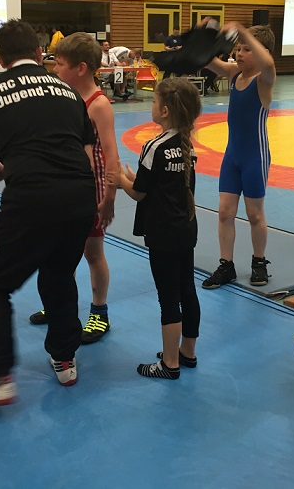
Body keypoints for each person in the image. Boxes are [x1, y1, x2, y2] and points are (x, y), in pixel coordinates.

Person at [0, 20, 96, 407]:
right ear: (40, 53)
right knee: (59, 274)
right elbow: (87, 158)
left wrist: (21, 162)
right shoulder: (69, 92)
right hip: (80, 197)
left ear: (0, 59)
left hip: (31, 199)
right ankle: (65, 359)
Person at [28, 32, 119, 344]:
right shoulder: (65, 97)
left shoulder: (99, 104)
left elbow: (111, 155)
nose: (55, 70)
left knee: (92, 252)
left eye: (60, 64)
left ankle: (99, 312)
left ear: (81, 68)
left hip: (92, 190)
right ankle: (59, 303)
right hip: (65, 188)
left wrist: (109, 198)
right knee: (61, 252)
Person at [111, 77, 202, 380]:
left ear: (164, 111)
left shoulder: (154, 146)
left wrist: (120, 180)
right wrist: (132, 179)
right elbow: (167, 186)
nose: (150, 105)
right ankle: (187, 352)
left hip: (163, 233)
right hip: (185, 228)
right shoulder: (187, 145)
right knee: (187, 289)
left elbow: (140, 193)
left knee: (168, 297)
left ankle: (169, 364)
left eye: (153, 101)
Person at [197, 21, 277, 289]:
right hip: (232, 157)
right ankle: (226, 265)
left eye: (246, 49)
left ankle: (259, 262)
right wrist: (203, 35)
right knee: (224, 212)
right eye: (238, 49)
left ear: (262, 51)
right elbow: (206, 60)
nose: (239, 54)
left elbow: (269, 64)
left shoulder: (263, 80)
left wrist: (242, 30)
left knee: (254, 214)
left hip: (255, 157)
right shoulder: (234, 74)